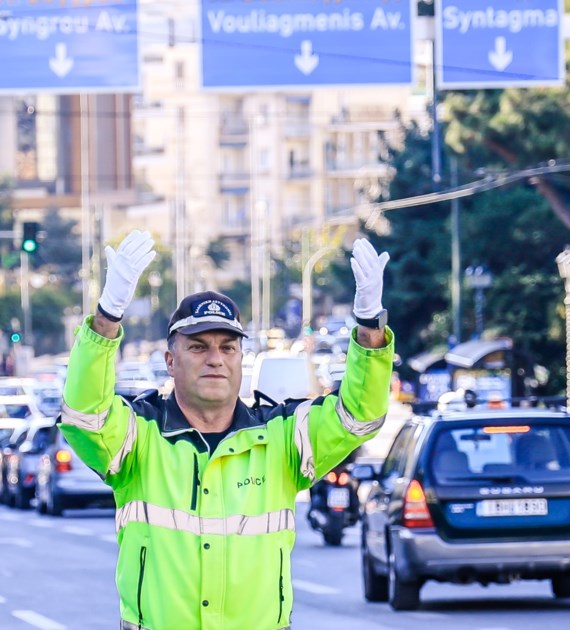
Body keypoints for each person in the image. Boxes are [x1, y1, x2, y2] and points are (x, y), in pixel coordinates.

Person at [59, 230, 394, 629]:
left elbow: (359, 416)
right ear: (170, 361)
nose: (215, 359)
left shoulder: (282, 438)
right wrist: (106, 318)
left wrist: (370, 325)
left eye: (228, 347)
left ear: (240, 359)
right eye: (198, 346)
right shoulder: (140, 437)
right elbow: (84, 414)